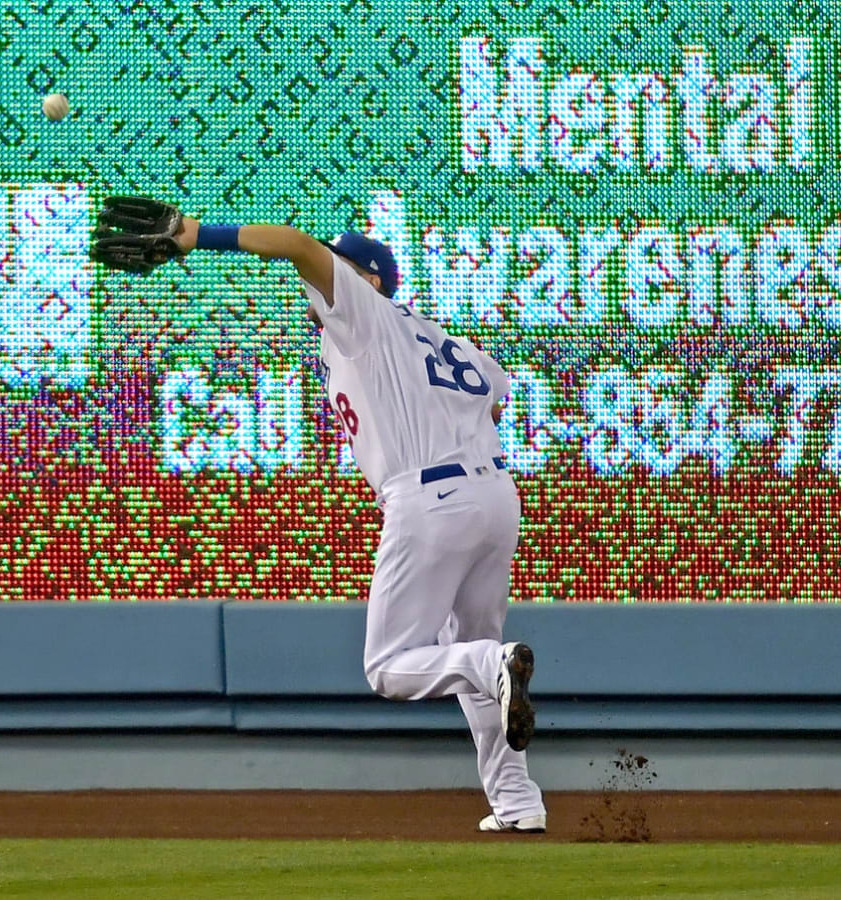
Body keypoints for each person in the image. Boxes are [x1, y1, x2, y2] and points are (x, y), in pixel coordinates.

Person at [90, 198, 547, 833]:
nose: (319, 278)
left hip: (429, 499)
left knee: (391, 667)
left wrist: (199, 235)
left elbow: (299, 245)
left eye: (341, 267)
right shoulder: (447, 339)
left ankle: (490, 670)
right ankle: (518, 803)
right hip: (497, 499)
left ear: (369, 280)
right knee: (473, 648)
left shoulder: (364, 316)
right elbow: (494, 399)